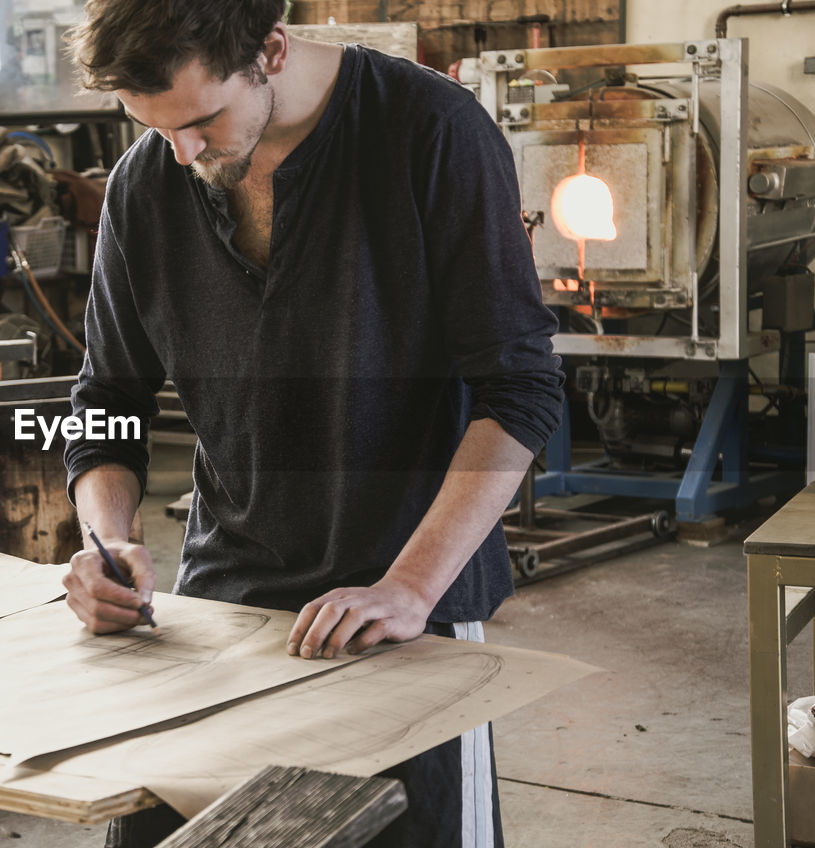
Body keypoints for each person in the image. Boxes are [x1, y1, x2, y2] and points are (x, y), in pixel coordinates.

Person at [60, 2, 564, 846]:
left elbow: (520, 391)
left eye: (202, 121)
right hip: (226, 604)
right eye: (154, 129)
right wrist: (105, 542)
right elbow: (105, 400)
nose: (183, 153)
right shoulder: (150, 179)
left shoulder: (430, 131)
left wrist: (408, 588)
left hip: (408, 613)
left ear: (271, 49)